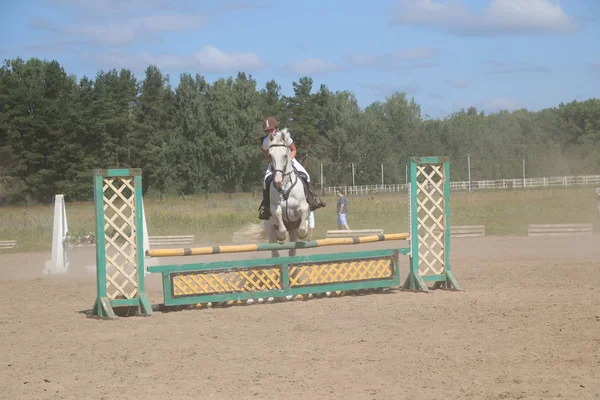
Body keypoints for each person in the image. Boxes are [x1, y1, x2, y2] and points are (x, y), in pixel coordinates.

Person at [258, 117, 326, 220]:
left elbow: (293, 150)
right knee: (265, 182)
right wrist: (273, 161)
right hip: (275, 164)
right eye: (266, 130)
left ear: (276, 128)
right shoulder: (265, 141)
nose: (268, 132)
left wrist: (288, 160)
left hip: (290, 160)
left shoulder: (284, 137)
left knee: (305, 175)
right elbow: (267, 156)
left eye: (270, 130)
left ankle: (312, 200)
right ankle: (266, 207)